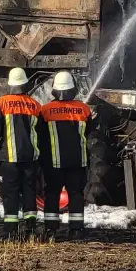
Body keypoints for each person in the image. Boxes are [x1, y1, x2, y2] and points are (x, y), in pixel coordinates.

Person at [0, 67, 41, 239]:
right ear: (25, 84)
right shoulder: (35, 105)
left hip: (8, 158)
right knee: (30, 191)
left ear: (10, 85)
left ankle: (11, 230)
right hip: (30, 158)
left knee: (11, 193)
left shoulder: (2, 103)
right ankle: (31, 227)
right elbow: (41, 134)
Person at [36, 70, 91, 239]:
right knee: (76, 194)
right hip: (77, 162)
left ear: (54, 89)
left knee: (52, 194)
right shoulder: (83, 109)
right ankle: (76, 229)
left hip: (53, 163)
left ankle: (50, 229)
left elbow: (39, 137)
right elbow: (89, 134)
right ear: (73, 88)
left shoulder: (45, 111)